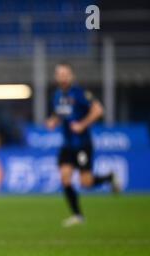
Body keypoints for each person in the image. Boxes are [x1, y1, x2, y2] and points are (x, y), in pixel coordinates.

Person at [46, 62, 121, 227]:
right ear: (56, 76)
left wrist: (82, 124)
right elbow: (60, 114)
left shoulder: (80, 93)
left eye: (66, 73)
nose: (63, 77)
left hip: (82, 144)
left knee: (85, 183)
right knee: (65, 177)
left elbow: (98, 110)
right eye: (60, 73)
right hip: (67, 144)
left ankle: (110, 177)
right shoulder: (57, 95)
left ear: (71, 75)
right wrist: (53, 121)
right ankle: (77, 216)